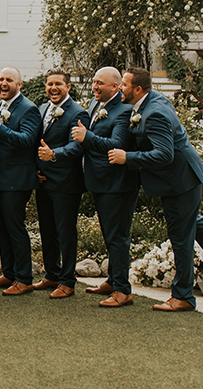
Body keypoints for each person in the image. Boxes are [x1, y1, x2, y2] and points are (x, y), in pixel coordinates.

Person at [108, 68, 203, 312]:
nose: (119, 89)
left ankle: (183, 297)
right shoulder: (151, 99)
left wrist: (127, 157)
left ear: (138, 90)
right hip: (183, 176)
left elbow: (164, 154)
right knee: (192, 221)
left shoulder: (155, 113)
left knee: (180, 237)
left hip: (180, 179)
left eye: (124, 85)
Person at [70, 66, 136, 308]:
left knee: (118, 237)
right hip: (98, 181)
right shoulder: (96, 104)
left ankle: (122, 290)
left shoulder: (124, 111)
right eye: (94, 82)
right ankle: (112, 279)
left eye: (100, 84)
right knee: (110, 235)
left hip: (116, 184)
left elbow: (117, 144)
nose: (95, 87)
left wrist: (86, 137)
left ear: (115, 87)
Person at [0, 67, 41, 297]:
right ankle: (8, 272)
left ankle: (24, 278)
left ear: (20, 85)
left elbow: (28, 140)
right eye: (1, 79)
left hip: (17, 180)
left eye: (9, 80)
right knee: (1, 226)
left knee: (15, 227)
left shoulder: (29, 109)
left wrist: (1, 130)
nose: (3, 83)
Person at [34, 68, 90, 299]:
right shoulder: (42, 109)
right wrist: (36, 169)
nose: (53, 88)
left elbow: (77, 147)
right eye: (49, 84)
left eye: (58, 84)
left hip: (66, 184)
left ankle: (67, 280)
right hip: (43, 181)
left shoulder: (78, 113)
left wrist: (53, 155)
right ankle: (52, 273)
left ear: (68, 87)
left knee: (65, 232)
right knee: (47, 229)